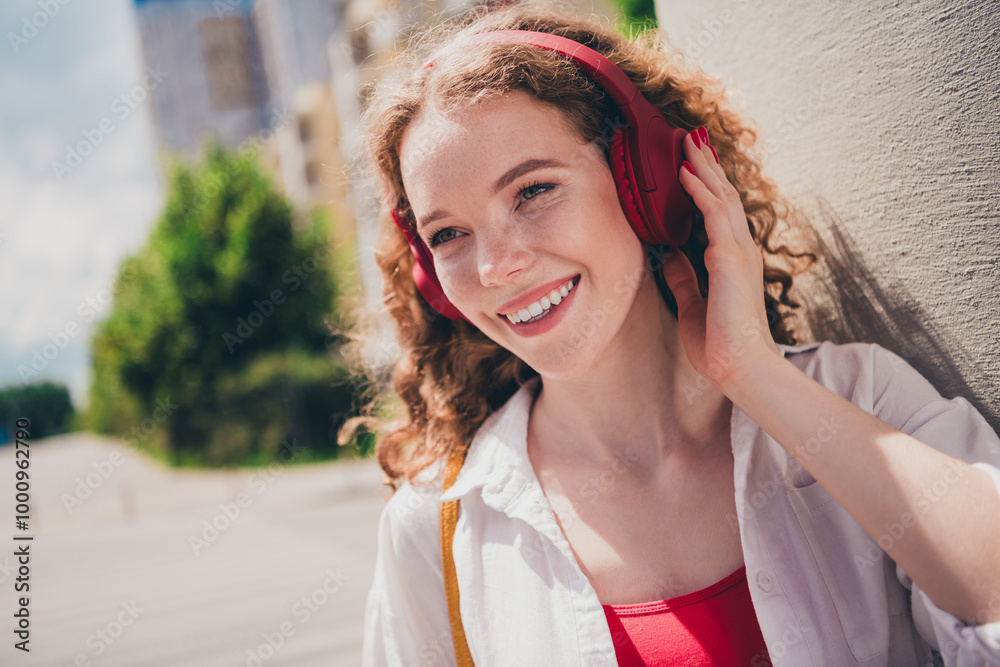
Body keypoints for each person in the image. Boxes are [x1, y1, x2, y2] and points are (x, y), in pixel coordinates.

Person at [355, 5, 1000, 666]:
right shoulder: (434, 528)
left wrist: (752, 373)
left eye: (533, 190)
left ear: (646, 180)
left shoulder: (855, 396)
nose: (496, 265)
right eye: (448, 234)